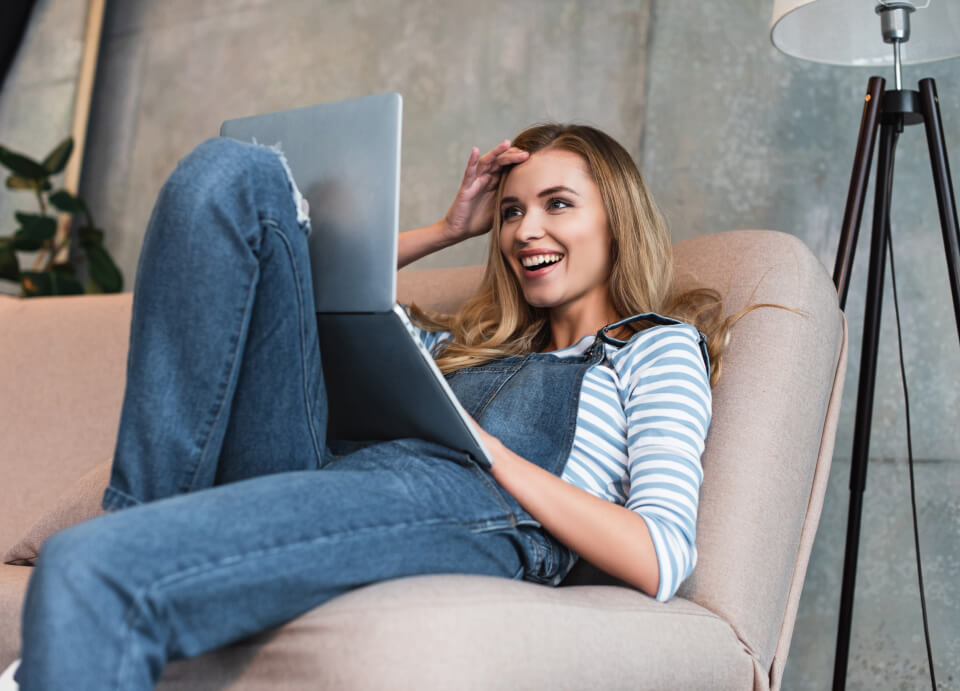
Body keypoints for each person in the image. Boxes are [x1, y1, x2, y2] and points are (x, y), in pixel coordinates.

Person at [15, 123, 745, 690]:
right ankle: (144, 533)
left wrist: (488, 452)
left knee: (88, 568)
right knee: (236, 174)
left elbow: (661, 554)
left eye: (558, 204)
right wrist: (449, 228)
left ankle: (119, 581)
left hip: (474, 505)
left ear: (616, 218)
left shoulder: (655, 347)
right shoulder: (473, 344)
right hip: (345, 472)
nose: (525, 230)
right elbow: (295, 277)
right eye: (512, 210)